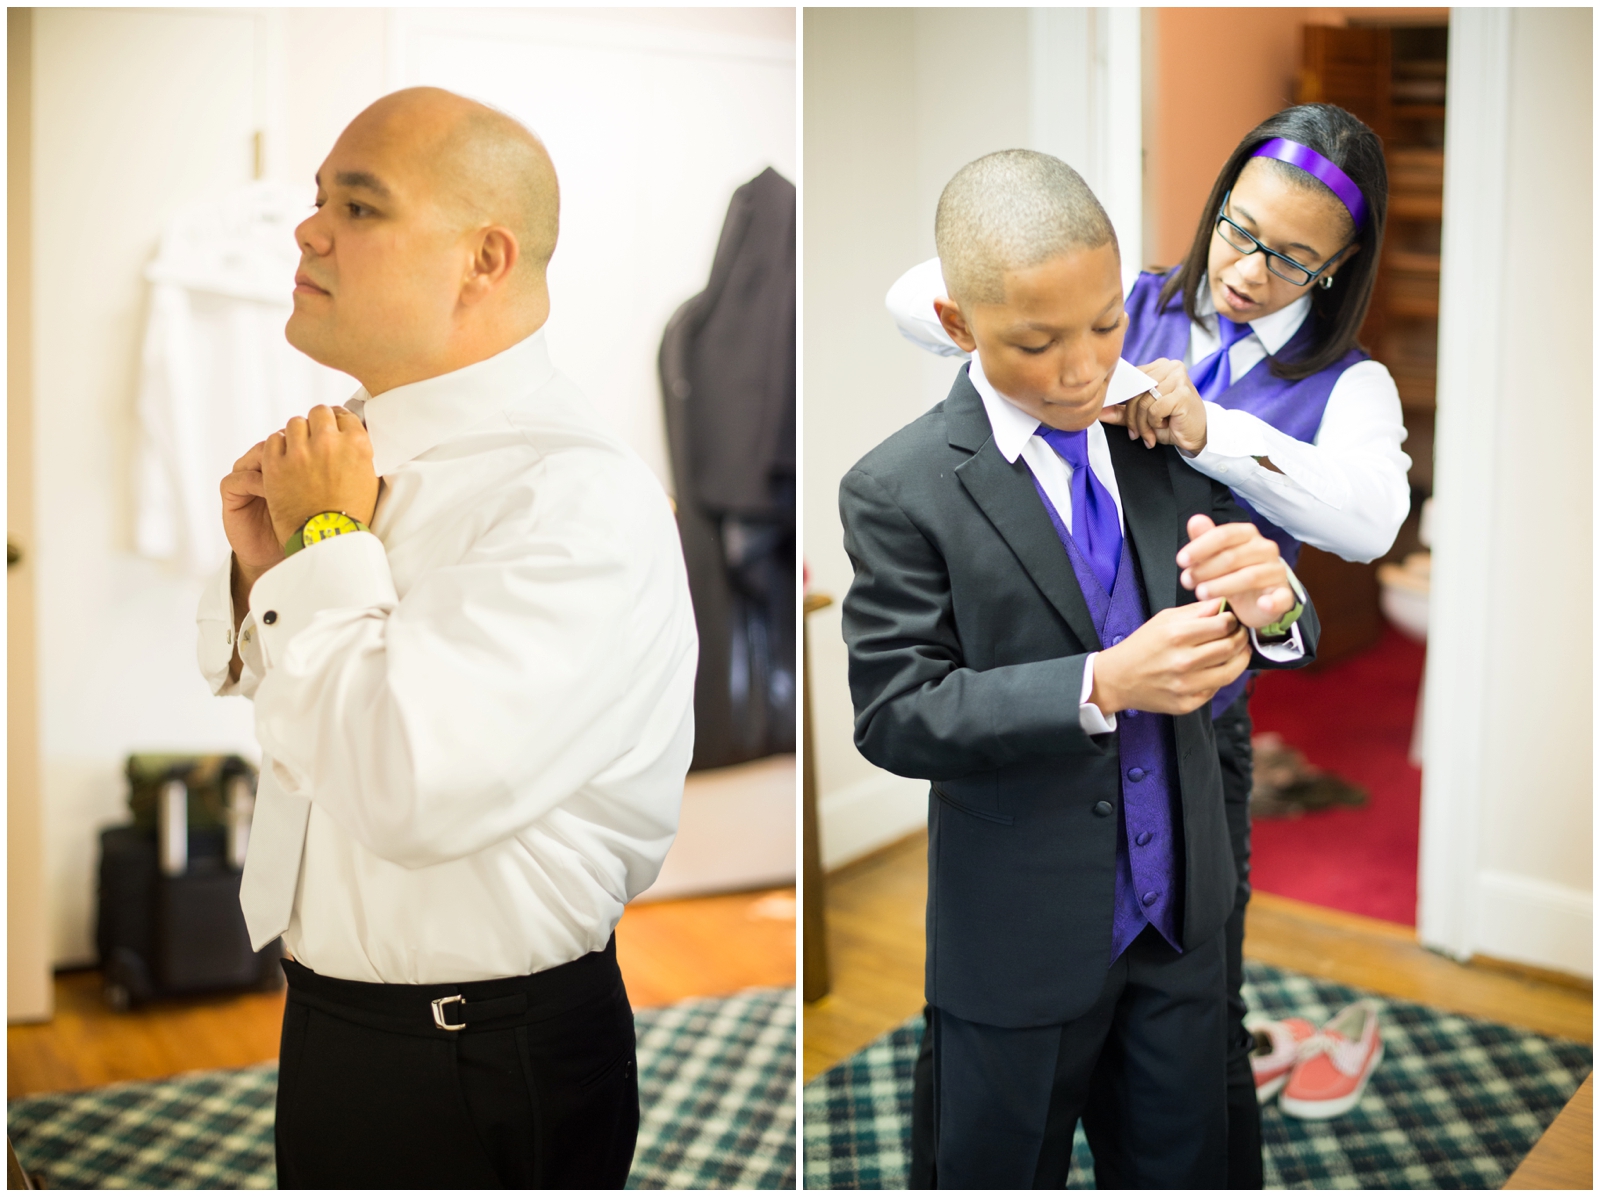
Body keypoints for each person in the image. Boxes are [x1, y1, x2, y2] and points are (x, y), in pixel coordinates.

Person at [886, 104, 1408, 1187]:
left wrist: (1214, 432)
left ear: (1338, 264)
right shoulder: (1118, 303)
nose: (1249, 270)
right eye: (1239, 230)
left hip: (1200, 738)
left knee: (1197, 1019)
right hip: (1045, 731)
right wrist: (1087, 348)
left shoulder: (1346, 384)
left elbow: (1368, 524)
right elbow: (921, 294)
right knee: (1004, 1058)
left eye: (1292, 257)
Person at [196, 87, 698, 1188]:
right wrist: (268, 570)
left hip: (479, 1061)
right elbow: (295, 707)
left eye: (358, 206)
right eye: (318, 199)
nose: (306, 230)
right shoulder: (357, 447)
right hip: (332, 1017)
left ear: (484, 258)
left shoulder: (575, 498)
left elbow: (406, 785)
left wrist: (326, 544)